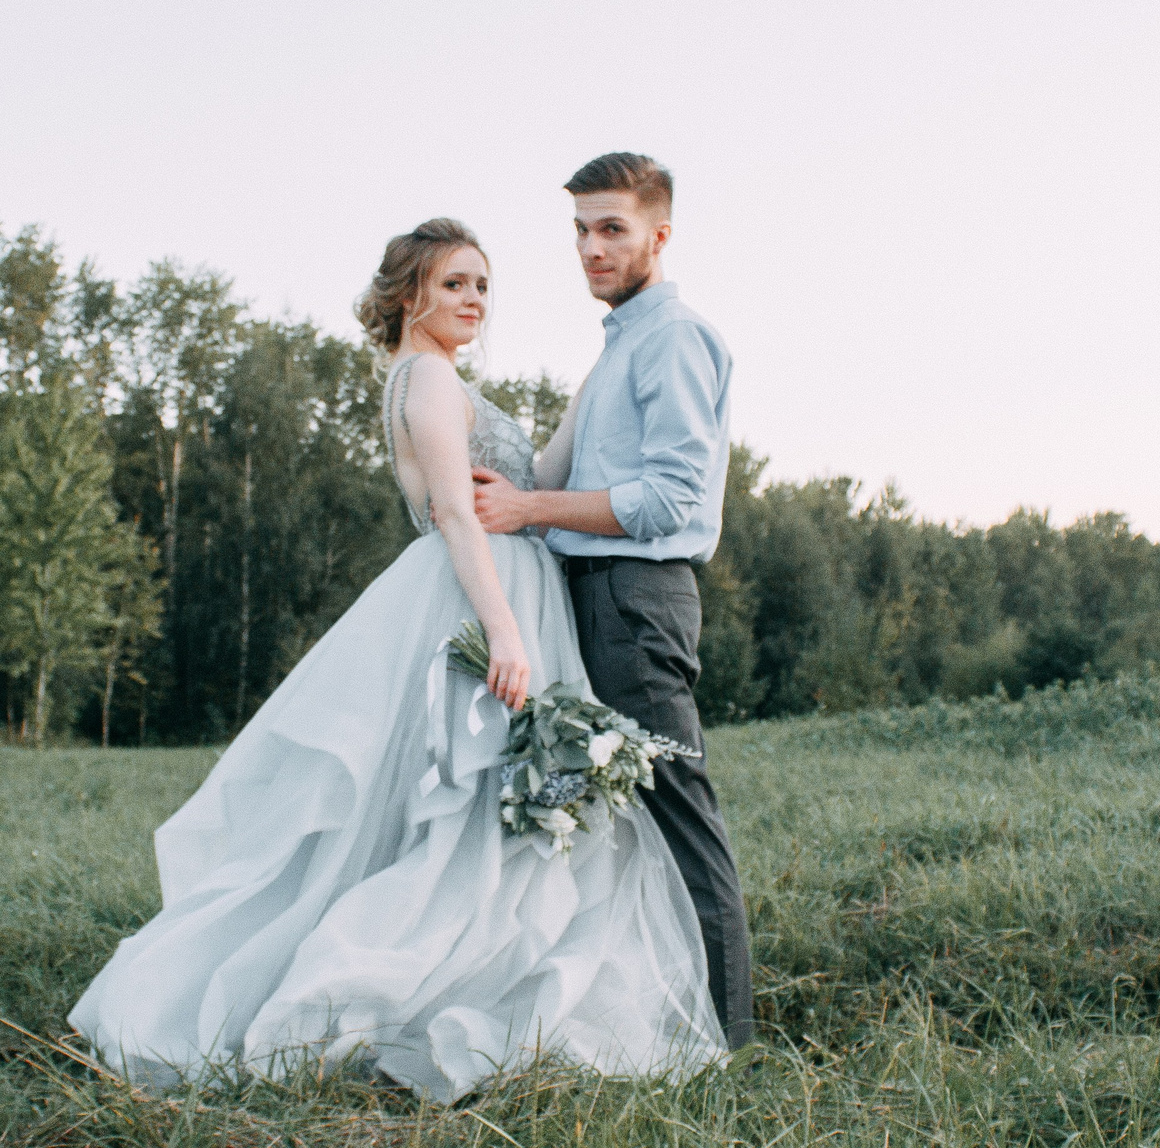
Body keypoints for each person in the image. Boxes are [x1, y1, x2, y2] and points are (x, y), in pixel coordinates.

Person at [68, 218, 724, 1102]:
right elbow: (456, 511)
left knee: (496, 822)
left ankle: (475, 979)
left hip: (513, 587)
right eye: (455, 283)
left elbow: (530, 476)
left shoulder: (449, 380)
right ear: (411, 293)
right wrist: (505, 631)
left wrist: (600, 380)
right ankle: (390, 991)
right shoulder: (421, 377)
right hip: (478, 600)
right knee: (465, 816)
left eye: (483, 286)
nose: (474, 301)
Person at [470, 153, 754, 1050]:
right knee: (588, 819)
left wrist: (525, 509)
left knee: (675, 814)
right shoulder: (624, 341)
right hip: (595, 599)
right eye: (581, 232)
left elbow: (670, 501)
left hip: (634, 603)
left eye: (612, 229)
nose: (592, 249)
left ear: (658, 235)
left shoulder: (673, 338)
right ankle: (629, 1021)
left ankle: (733, 1044)